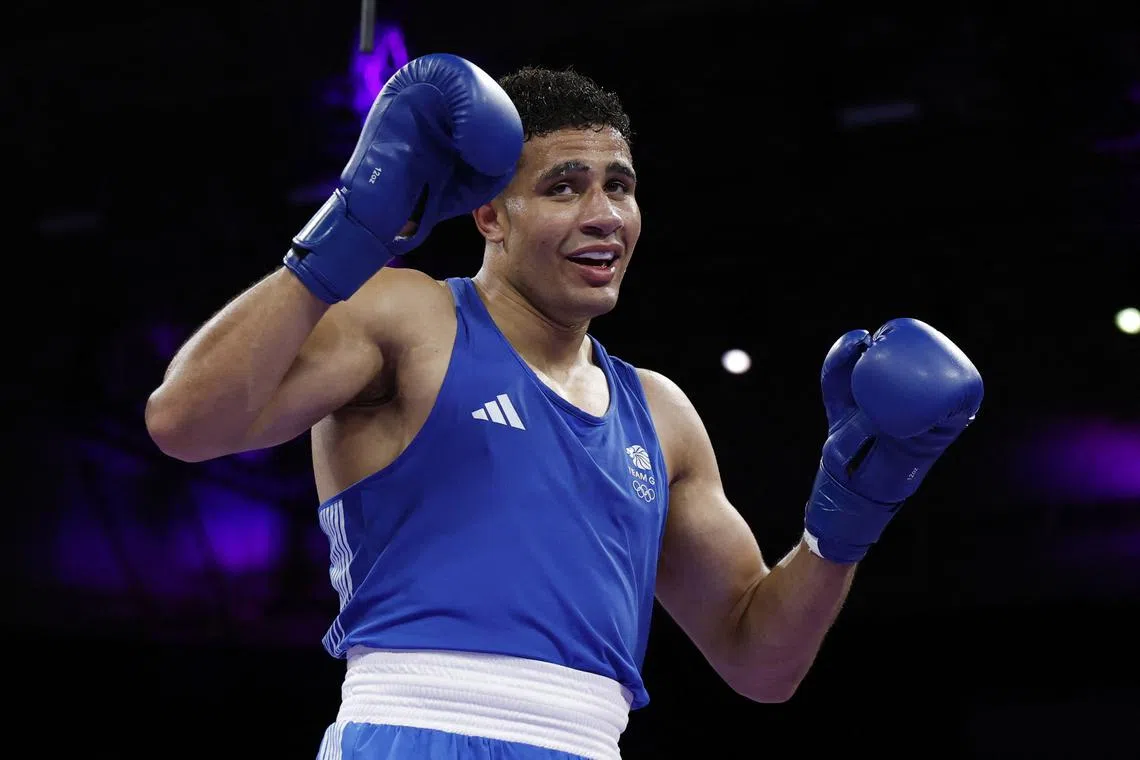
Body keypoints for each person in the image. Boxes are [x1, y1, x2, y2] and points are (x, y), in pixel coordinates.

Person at [144, 53, 984, 760]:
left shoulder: (659, 412)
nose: (604, 215)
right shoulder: (407, 315)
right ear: (489, 214)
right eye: (564, 187)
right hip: (417, 727)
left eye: (620, 186)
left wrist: (851, 509)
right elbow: (184, 423)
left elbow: (761, 664)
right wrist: (349, 231)